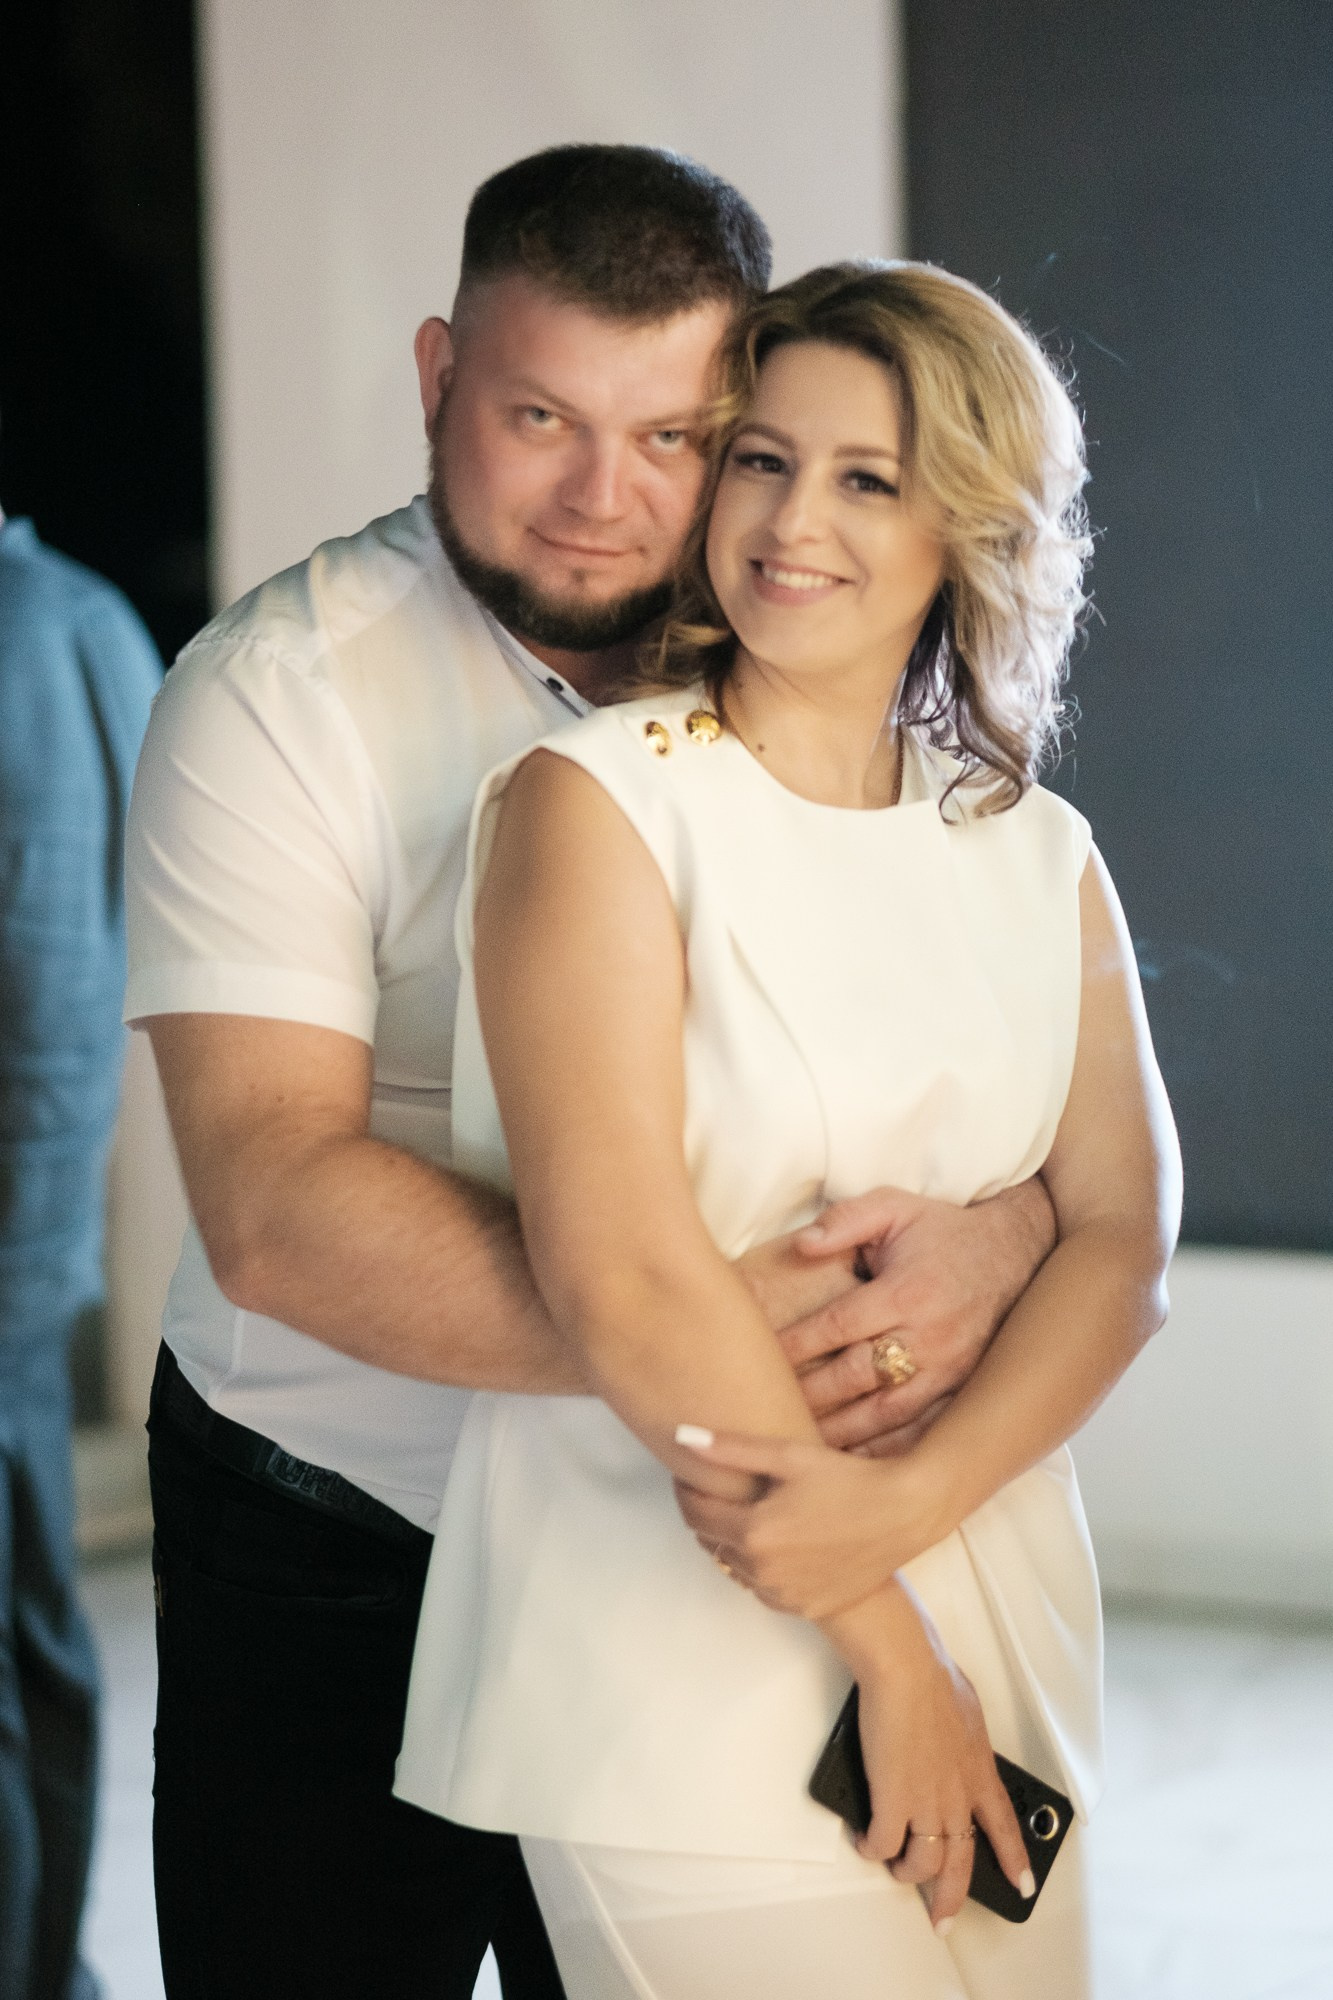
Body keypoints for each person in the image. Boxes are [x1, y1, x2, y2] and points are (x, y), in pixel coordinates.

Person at [126, 150, 1058, 2000]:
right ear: (435, 377)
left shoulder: (825, 650)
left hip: (691, 1537)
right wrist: (712, 1331)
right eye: (538, 416)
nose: (597, 497)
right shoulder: (275, 696)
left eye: (674, 436)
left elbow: (984, 1039)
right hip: (345, 1524)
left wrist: (1019, 1226)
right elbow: (277, 1210)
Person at [395, 261, 1182, 1999]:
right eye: (761, 459)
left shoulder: (1031, 846)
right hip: (665, 1643)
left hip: (993, 1597)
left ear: (964, 527)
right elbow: (618, 1270)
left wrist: (899, 1517)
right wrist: (884, 1646)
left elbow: (1123, 1241)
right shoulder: (599, 805)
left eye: (865, 478)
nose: (789, 521)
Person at [0, 500, 161, 2000]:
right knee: (33, 1623)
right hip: (40, 1244)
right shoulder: (89, 617)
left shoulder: (22, 638)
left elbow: (49, 988)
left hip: (14, 1240)